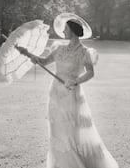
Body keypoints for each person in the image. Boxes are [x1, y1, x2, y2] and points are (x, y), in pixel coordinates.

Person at [26, 17, 118, 168]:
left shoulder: (84, 52)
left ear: (73, 31)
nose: (63, 31)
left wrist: (75, 81)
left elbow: (90, 73)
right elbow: (43, 61)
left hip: (71, 93)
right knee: (56, 127)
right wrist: (30, 55)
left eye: (66, 29)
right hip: (55, 92)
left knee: (69, 129)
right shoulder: (59, 49)